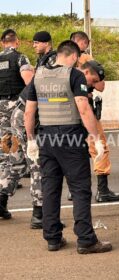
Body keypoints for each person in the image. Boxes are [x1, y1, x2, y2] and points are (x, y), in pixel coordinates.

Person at [24, 40, 112, 253]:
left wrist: (30, 140)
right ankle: (86, 240)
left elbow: (29, 112)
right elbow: (83, 108)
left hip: (46, 138)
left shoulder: (39, 75)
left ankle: (52, 238)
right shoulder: (74, 75)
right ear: (73, 56)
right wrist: (95, 138)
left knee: (50, 189)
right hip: (70, 137)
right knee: (80, 189)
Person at [8, 31, 56, 228]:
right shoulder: (49, 63)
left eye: (37, 42)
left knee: (20, 163)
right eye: (34, 42)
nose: (34, 45)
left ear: (47, 43)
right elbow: (32, 108)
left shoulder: (45, 61)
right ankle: (38, 215)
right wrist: (31, 139)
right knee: (37, 165)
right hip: (23, 117)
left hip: (20, 115)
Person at [70, 31, 119, 202]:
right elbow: (101, 86)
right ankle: (103, 191)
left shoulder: (59, 60)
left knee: (76, 150)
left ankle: (74, 190)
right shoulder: (87, 60)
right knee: (100, 147)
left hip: (66, 112)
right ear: (83, 43)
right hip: (85, 108)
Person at [0, 29, 34, 219]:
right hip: (16, 111)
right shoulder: (20, 58)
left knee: (5, 155)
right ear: (17, 42)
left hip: (0, 111)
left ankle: (1, 202)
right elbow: (30, 83)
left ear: (2, 43)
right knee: (22, 158)